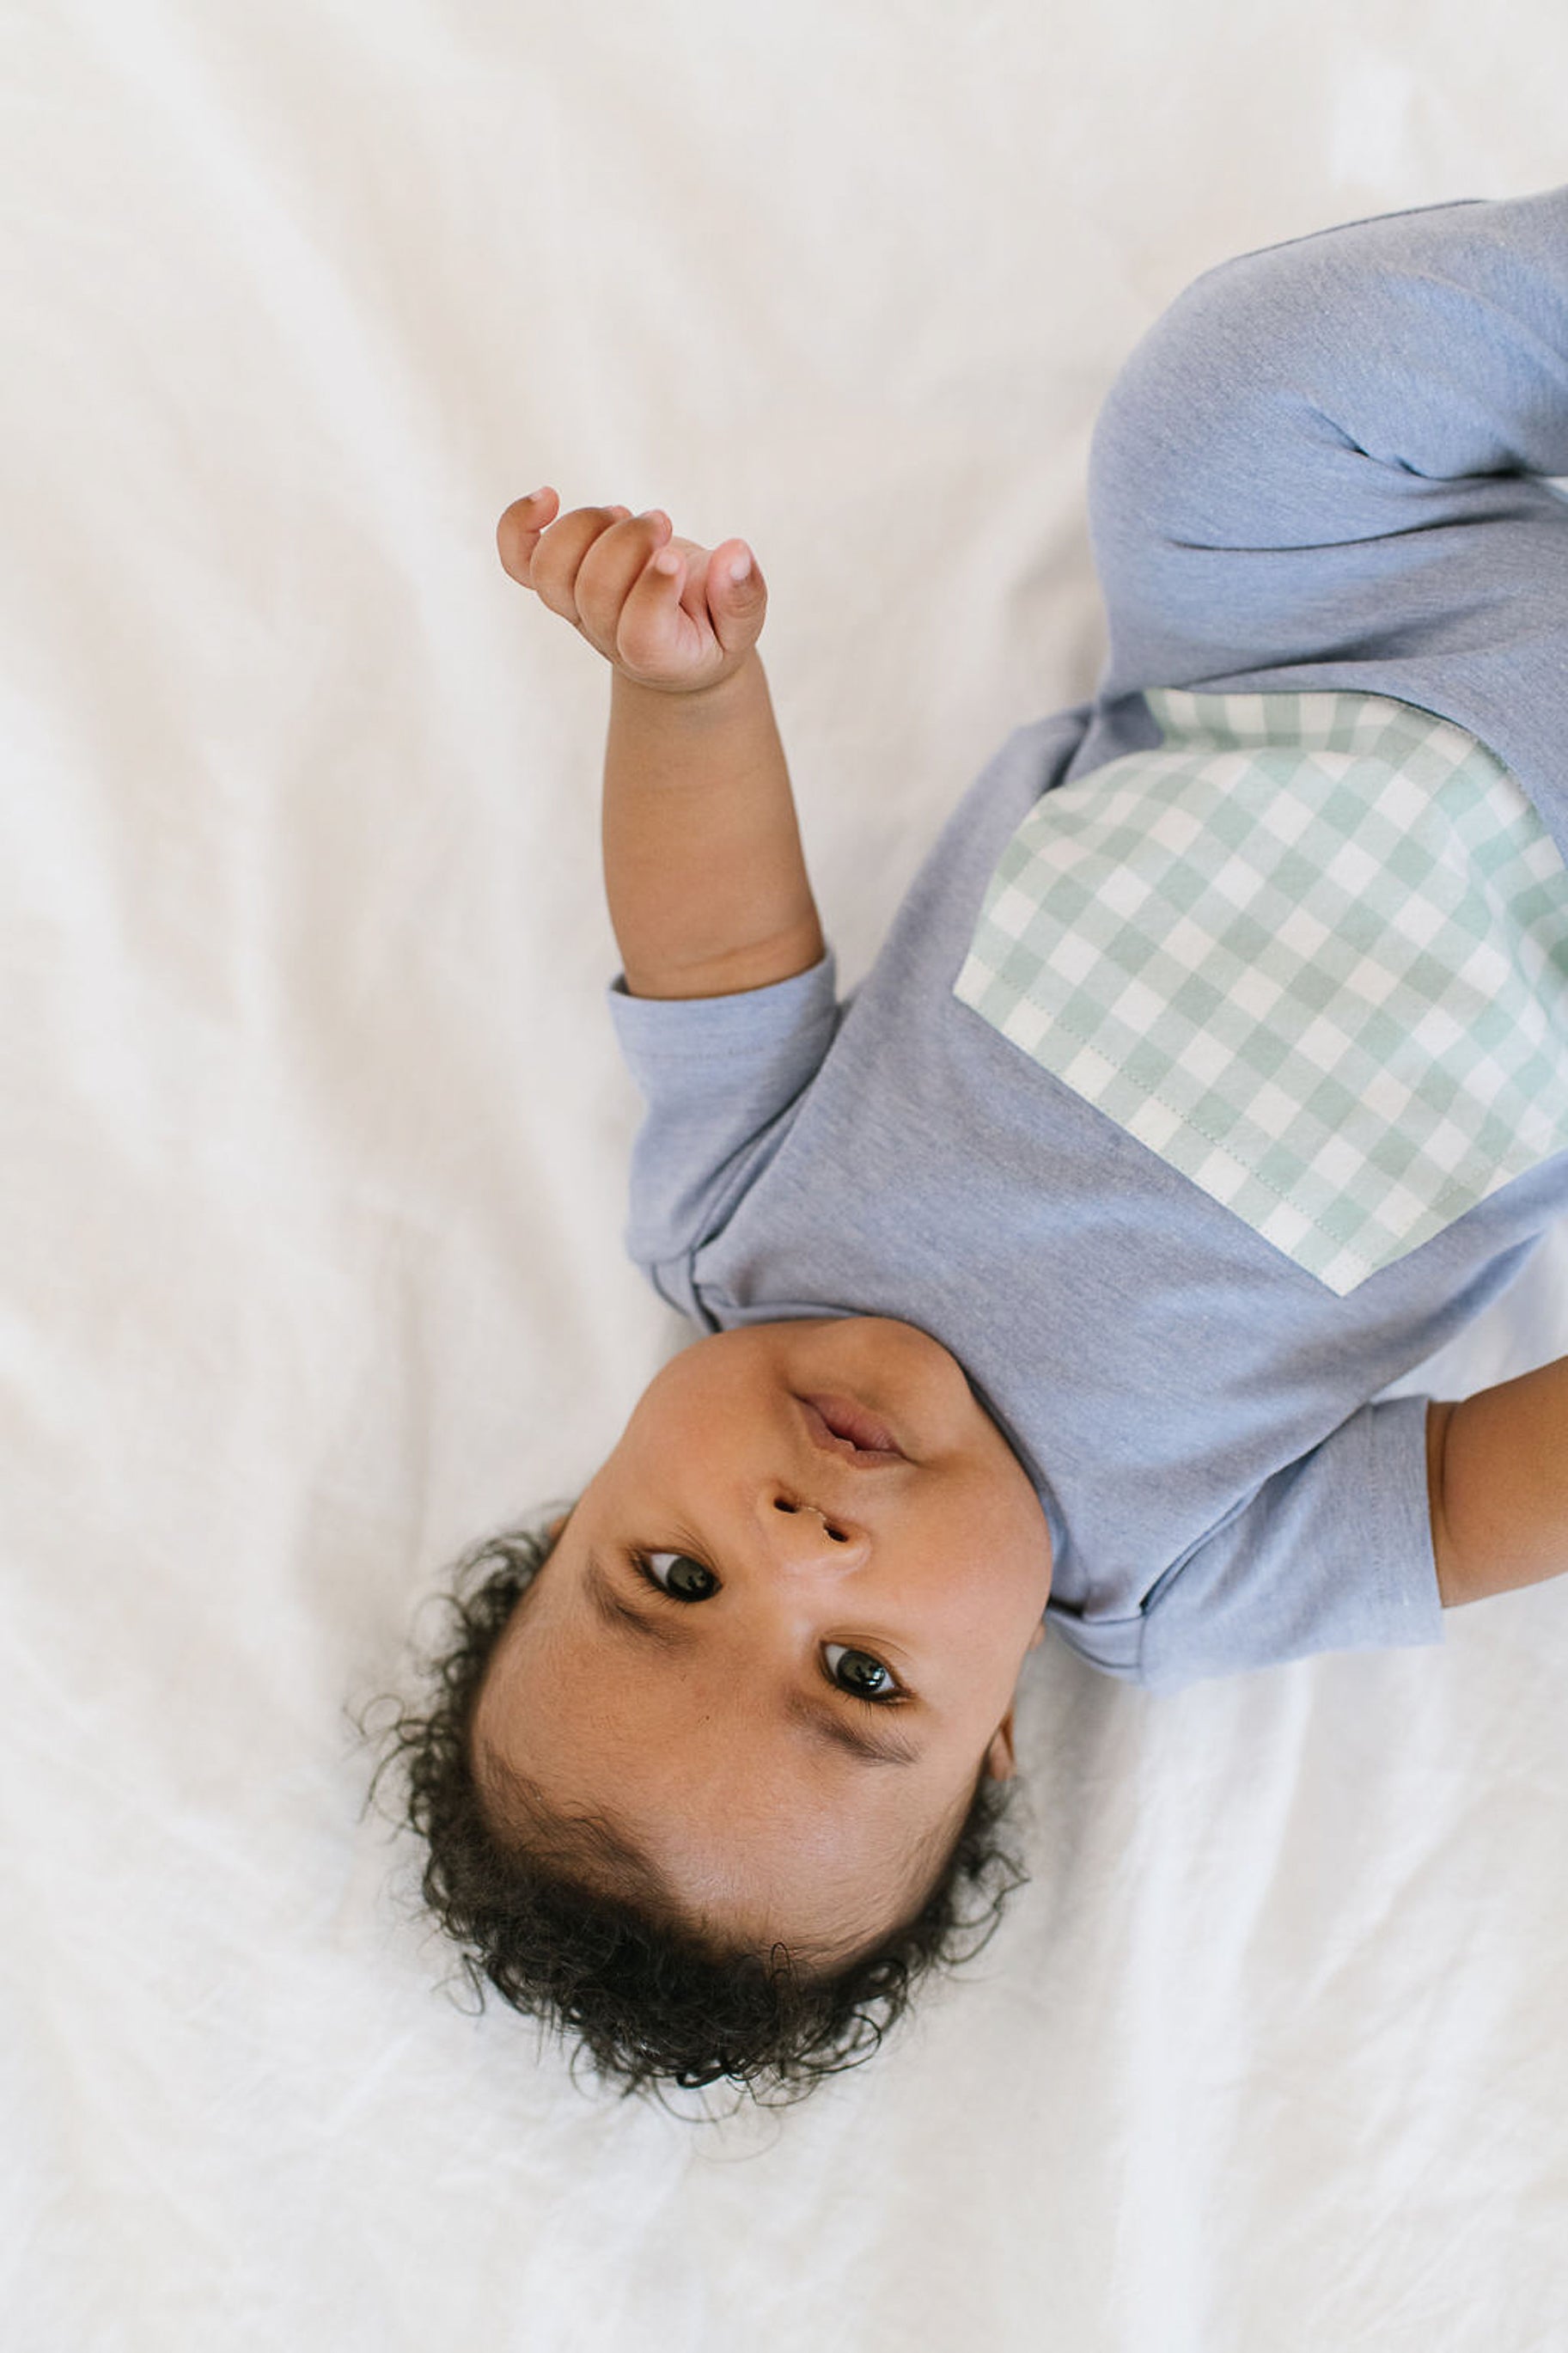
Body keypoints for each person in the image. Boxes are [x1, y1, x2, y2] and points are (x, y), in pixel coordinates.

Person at [377, 185, 1568, 2103]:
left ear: (599, 1486)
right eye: (861, 1679)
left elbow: (716, 939)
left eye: (670, 1575)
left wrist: (680, 692)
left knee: (1224, 401)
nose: (797, 1546)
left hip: (1317, 628)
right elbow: (1473, 1497)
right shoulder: (1175, 1574)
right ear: (999, 1720)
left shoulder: (734, 1227)